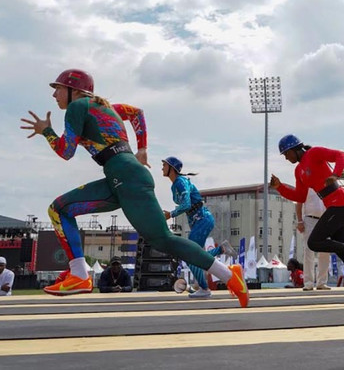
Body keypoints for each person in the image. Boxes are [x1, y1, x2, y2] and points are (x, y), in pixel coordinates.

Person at [20, 69, 247, 307]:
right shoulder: (106, 107)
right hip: (122, 178)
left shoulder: (79, 106)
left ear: (74, 90)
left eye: (58, 88)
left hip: (125, 178)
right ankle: (79, 274)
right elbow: (136, 113)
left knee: (164, 240)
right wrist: (142, 149)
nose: (54, 94)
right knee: (59, 209)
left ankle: (230, 276)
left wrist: (46, 131)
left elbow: (66, 151)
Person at [270, 134, 344, 300]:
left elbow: (340, 155)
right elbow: (300, 196)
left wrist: (336, 174)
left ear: (295, 149)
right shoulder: (298, 171)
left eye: (286, 154)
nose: (286, 158)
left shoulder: (314, 153)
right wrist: (280, 188)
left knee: (314, 242)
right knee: (342, 251)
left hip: (341, 204)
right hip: (335, 206)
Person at [160, 156, 229, 298]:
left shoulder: (180, 182)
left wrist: (170, 214)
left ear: (172, 168)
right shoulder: (176, 184)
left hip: (203, 220)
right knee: (195, 256)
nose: (162, 168)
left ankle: (204, 289)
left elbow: (186, 205)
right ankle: (221, 249)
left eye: (164, 165)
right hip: (199, 222)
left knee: (191, 255)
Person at [294, 182, 331, 291]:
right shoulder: (305, 185)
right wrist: (299, 220)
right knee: (308, 250)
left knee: (325, 251)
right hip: (309, 219)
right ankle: (308, 282)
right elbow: (299, 203)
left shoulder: (326, 185)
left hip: (324, 219)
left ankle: (322, 282)